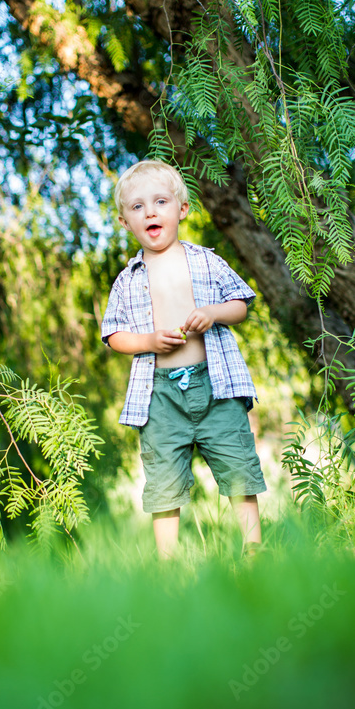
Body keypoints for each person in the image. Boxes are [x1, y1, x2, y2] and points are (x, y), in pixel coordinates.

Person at [101, 159, 266, 560]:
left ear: (183, 209)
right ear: (125, 222)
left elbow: (240, 305)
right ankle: (169, 563)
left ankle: (254, 550)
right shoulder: (127, 279)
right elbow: (113, 335)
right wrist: (148, 341)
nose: (150, 212)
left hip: (216, 386)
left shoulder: (206, 261)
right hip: (159, 397)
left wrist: (212, 313)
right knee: (164, 482)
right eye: (137, 207)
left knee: (237, 466)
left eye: (160, 201)